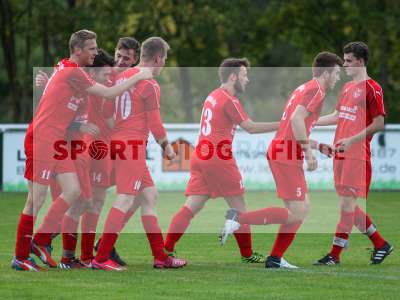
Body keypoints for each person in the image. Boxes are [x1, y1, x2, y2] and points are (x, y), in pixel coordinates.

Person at [12, 29, 151, 271]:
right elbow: (107, 91)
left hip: (60, 140)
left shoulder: (70, 70)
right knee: (36, 200)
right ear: (77, 50)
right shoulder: (72, 71)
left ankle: (42, 241)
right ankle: (21, 256)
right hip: (44, 138)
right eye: (92, 48)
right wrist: (138, 76)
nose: (96, 52)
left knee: (74, 192)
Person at [220, 52, 342, 269]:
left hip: (283, 151)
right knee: (299, 211)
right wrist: (309, 153)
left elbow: (295, 126)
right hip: (286, 154)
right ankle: (238, 218)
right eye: (336, 73)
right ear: (326, 73)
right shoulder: (316, 90)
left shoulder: (304, 88)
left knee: (300, 209)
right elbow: (295, 120)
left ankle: (275, 258)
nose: (338, 78)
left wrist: (317, 145)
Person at [164, 58, 280, 264]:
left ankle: (166, 249)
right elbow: (250, 127)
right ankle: (247, 254)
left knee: (191, 207)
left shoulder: (212, 96)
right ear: (233, 77)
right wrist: (283, 124)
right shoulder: (229, 100)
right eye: (244, 75)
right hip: (218, 157)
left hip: (201, 155)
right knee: (239, 208)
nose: (247, 80)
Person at [92, 37, 187, 271]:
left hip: (120, 142)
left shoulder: (122, 77)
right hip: (131, 145)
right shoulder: (150, 83)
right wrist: (168, 149)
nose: (163, 63)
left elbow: (105, 109)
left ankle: (160, 257)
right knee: (125, 199)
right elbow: (155, 123)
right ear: (158, 58)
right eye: (164, 59)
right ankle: (101, 257)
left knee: (149, 196)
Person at [314, 42, 393, 266]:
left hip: (357, 155)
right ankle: (380, 244)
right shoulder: (348, 87)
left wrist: (352, 139)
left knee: (347, 207)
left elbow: (379, 123)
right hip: (340, 154)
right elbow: (338, 115)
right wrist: (312, 121)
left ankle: (334, 256)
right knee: (347, 205)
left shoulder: (373, 88)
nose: (345, 64)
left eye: (348, 61)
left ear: (360, 61)